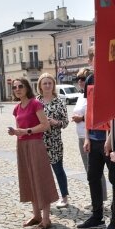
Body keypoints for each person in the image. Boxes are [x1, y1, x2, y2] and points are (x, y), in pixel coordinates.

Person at [7, 78, 59, 229]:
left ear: (27, 87)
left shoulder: (35, 103)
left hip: (36, 144)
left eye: (20, 86)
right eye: (14, 87)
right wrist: (15, 132)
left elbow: (45, 125)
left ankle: (46, 218)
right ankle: (36, 215)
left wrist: (26, 131)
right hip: (22, 145)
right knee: (28, 178)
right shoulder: (16, 108)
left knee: (40, 178)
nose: (17, 89)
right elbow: (20, 128)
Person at [77, 72, 115, 229]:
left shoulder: (111, 77)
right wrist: (87, 137)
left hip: (111, 140)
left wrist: (109, 139)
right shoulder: (91, 79)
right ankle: (97, 216)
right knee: (93, 177)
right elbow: (89, 110)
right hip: (94, 140)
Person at [72, 69, 107, 203]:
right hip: (83, 135)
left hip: (95, 136)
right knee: (89, 171)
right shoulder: (81, 96)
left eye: (82, 78)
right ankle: (96, 199)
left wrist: (80, 118)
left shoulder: (93, 93)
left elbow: (93, 114)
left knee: (96, 171)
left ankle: (101, 199)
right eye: (78, 79)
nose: (80, 81)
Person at [37, 72, 70, 208]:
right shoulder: (36, 101)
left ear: (53, 85)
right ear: (40, 86)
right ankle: (44, 198)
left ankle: (64, 197)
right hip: (39, 140)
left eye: (50, 83)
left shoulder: (59, 101)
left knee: (58, 169)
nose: (47, 85)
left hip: (54, 141)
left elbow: (66, 122)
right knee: (41, 172)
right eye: (44, 83)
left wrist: (55, 122)